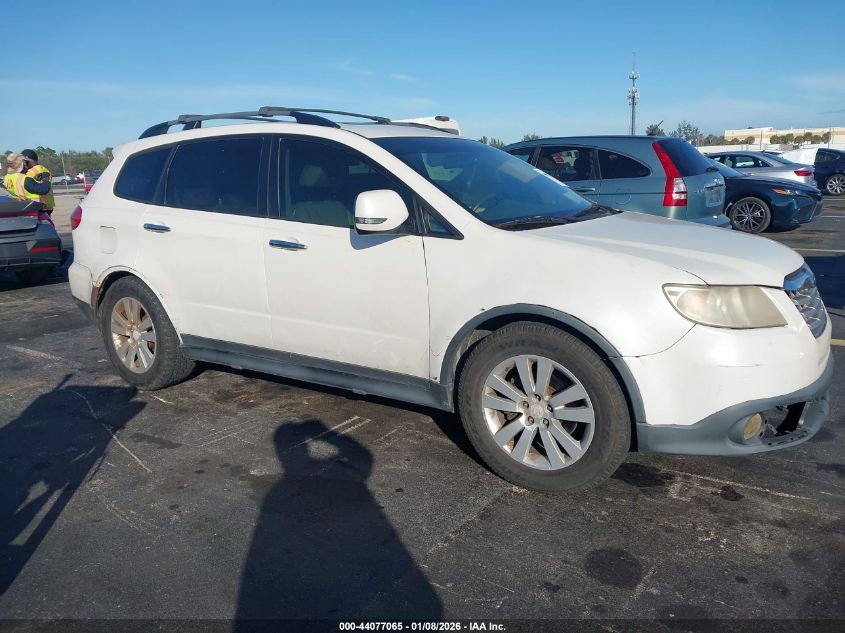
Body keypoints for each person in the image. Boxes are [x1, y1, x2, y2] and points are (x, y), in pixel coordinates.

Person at [21, 149, 55, 213]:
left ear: (31, 161)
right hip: (47, 205)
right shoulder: (43, 169)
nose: (23, 164)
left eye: (25, 161)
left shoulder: (31, 171)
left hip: (38, 205)